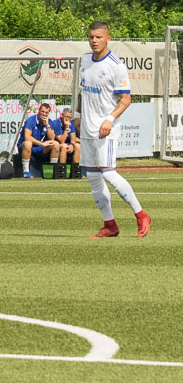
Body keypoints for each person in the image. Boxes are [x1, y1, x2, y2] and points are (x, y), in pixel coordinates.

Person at [78, 21, 150, 238]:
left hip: (105, 130)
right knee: (93, 177)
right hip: (87, 129)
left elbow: (126, 99)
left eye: (98, 37)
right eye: (91, 37)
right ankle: (110, 224)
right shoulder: (84, 60)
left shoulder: (116, 65)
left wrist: (109, 120)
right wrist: (80, 116)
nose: (94, 41)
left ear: (108, 38)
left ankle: (141, 215)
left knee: (108, 172)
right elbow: (84, 93)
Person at [14, 103, 59, 179]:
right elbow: (27, 137)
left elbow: (52, 138)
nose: (44, 114)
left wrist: (47, 125)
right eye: (42, 112)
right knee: (28, 143)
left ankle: (52, 171)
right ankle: (26, 172)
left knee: (55, 144)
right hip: (26, 147)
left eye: (46, 112)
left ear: (48, 113)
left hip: (40, 148)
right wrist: (41, 143)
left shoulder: (49, 122)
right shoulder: (31, 120)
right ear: (38, 111)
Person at [52, 107, 80, 177]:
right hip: (56, 145)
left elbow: (73, 137)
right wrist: (67, 128)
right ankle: (62, 171)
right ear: (62, 115)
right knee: (64, 146)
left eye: (70, 117)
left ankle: (76, 172)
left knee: (77, 146)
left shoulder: (71, 123)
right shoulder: (56, 123)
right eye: (66, 116)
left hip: (66, 144)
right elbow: (61, 140)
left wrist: (72, 145)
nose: (68, 119)